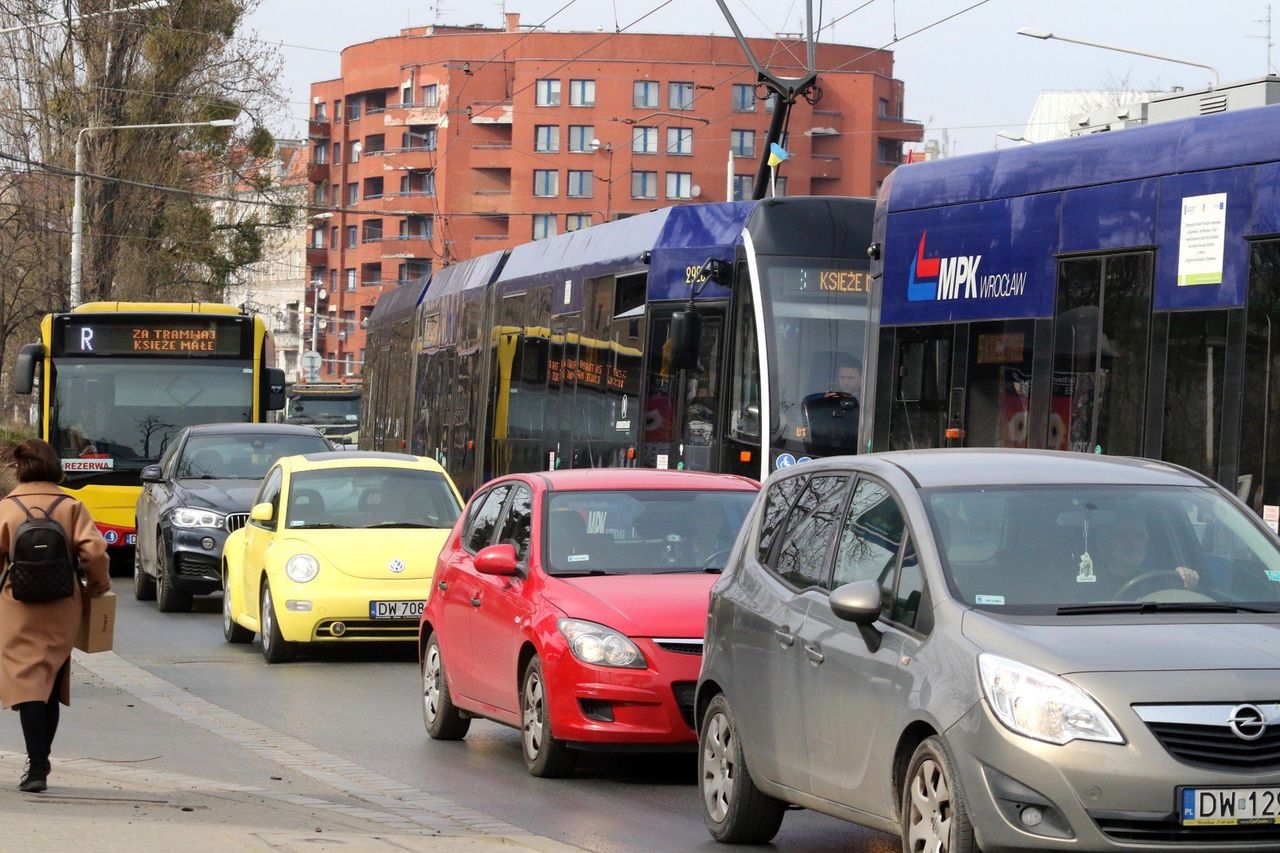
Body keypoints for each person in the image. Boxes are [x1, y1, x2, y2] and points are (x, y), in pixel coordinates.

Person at [0, 439, 110, 793]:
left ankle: (36, 768)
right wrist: (96, 588)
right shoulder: (72, 505)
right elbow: (94, 554)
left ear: (21, 469)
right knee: (50, 680)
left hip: (16, 604)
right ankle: (41, 762)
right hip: (64, 603)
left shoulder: (6, 507)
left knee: (28, 682)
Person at [1083, 509, 1199, 599]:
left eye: (1139, 536)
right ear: (1105, 543)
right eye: (1122, 535)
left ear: (1146, 542)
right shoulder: (1086, 583)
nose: (1132, 543)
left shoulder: (1160, 581)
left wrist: (1184, 579)